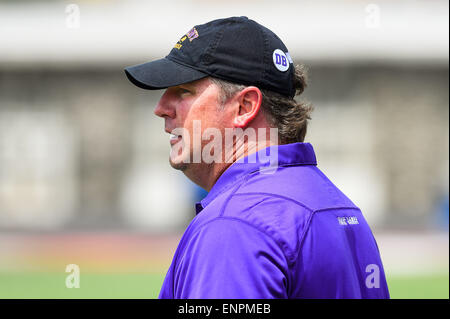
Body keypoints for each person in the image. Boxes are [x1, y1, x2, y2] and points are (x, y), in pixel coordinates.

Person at [124, 16, 390, 299]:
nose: (161, 108)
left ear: (245, 106)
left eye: (183, 91)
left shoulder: (235, 225)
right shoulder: (339, 206)